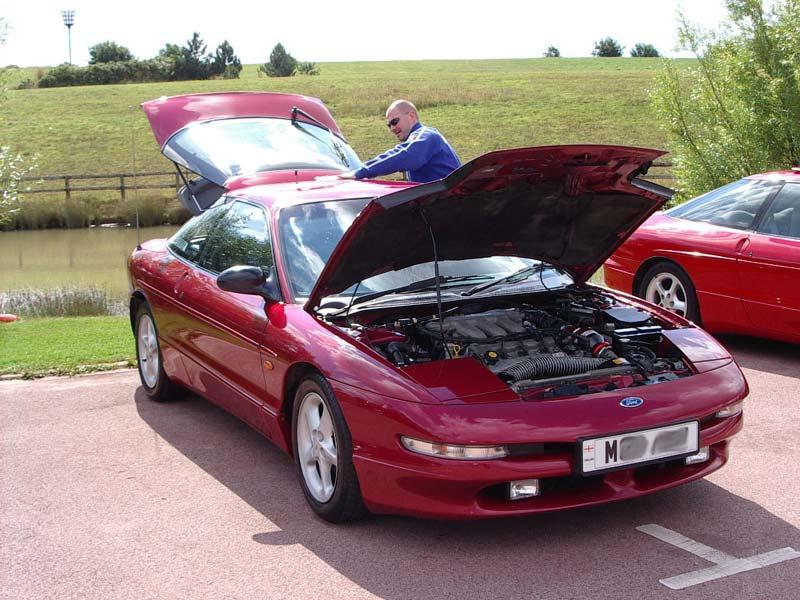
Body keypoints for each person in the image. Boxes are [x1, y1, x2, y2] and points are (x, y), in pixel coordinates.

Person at [338, 99, 461, 183]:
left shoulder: (426, 135)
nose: (392, 128)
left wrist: (361, 172)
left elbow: (404, 155)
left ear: (411, 116)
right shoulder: (423, 137)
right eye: (389, 125)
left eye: (394, 122)